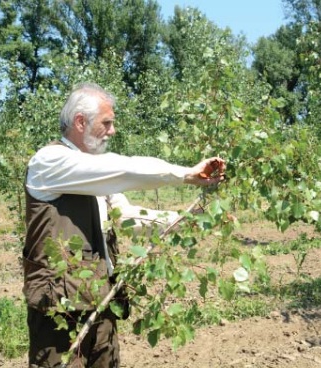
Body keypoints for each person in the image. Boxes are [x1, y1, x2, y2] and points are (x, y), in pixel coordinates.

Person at [23, 82, 225, 368]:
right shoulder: (50, 161)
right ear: (80, 122)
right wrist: (186, 174)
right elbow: (123, 167)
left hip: (100, 300)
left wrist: (187, 221)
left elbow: (128, 216)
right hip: (59, 307)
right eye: (107, 123)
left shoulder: (93, 174)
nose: (113, 131)